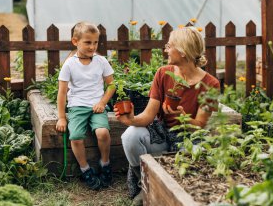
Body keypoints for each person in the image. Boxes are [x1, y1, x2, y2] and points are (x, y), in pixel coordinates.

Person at [115, 26, 220, 205]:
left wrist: (183, 118)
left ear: (183, 52)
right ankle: (143, 185)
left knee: (191, 171)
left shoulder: (210, 84)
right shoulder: (163, 73)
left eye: (169, 46)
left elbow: (201, 124)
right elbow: (148, 116)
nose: (166, 50)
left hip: (189, 138)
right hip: (162, 135)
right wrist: (131, 119)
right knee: (130, 136)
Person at [55, 22, 116, 190]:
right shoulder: (69, 64)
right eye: (88, 42)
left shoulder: (101, 61)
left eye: (95, 42)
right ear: (75, 42)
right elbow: (61, 93)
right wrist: (61, 117)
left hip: (97, 106)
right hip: (77, 107)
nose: (92, 46)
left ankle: (105, 163)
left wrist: (102, 102)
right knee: (75, 137)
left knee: (102, 132)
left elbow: (112, 85)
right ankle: (85, 169)